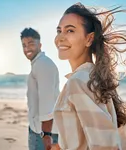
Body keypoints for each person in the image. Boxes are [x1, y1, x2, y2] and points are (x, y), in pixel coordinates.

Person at [51, 3, 126, 150]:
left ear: (89, 39)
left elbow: (106, 146)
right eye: (59, 30)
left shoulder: (79, 82)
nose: (60, 37)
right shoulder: (92, 76)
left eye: (70, 30)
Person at [20, 27, 59, 150]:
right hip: (38, 129)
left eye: (31, 44)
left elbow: (47, 102)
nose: (27, 48)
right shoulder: (38, 64)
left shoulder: (43, 64)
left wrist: (45, 134)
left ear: (40, 45)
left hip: (43, 133)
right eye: (24, 45)